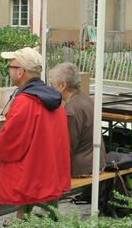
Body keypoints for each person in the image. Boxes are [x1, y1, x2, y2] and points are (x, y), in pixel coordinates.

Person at [0, 47, 71, 228]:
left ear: (20, 72)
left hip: (31, 178)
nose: (8, 70)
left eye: (10, 67)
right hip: (52, 174)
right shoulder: (55, 100)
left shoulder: (25, 102)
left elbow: (9, 149)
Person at [49, 62, 107, 200]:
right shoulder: (85, 98)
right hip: (97, 160)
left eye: (52, 84)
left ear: (63, 85)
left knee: (38, 168)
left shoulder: (71, 110)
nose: (51, 87)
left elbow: (66, 148)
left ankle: (44, 210)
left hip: (84, 167)